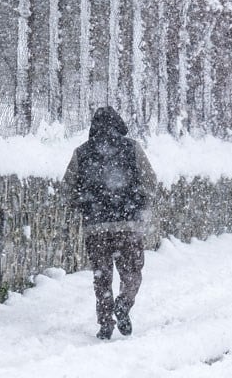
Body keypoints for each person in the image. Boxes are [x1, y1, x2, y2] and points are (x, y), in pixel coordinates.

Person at [63, 106, 157, 340]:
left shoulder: (82, 152)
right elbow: (150, 180)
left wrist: (84, 203)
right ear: (119, 123)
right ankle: (124, 304)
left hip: (96, 227)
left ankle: (105, 322)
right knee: (132, 272)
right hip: (129, 225)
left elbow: (67, 189)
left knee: (101, 277)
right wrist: (140, 202)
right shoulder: (132, 148)